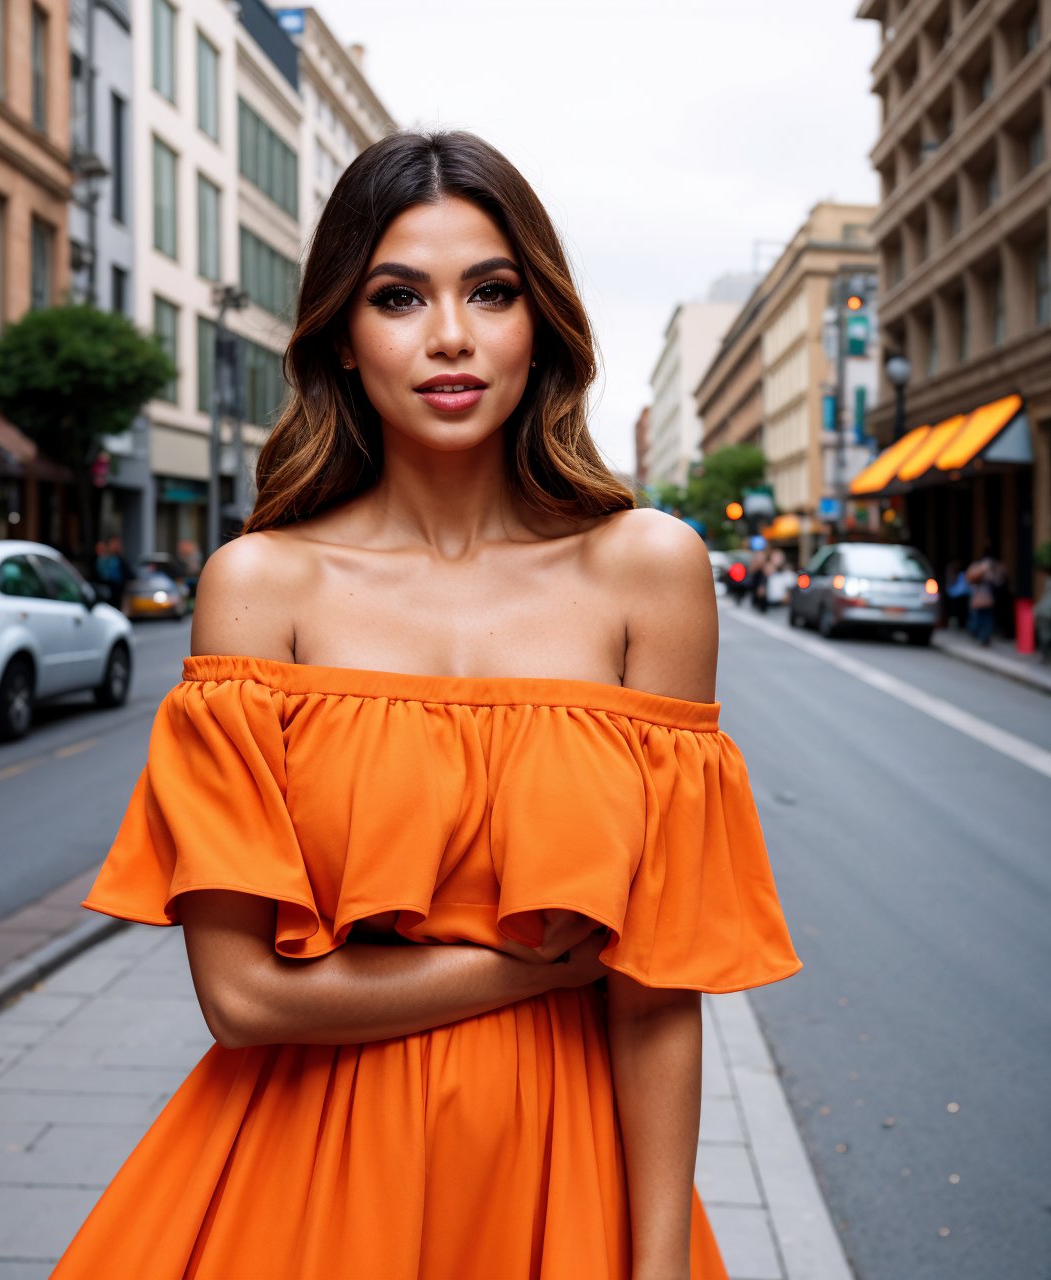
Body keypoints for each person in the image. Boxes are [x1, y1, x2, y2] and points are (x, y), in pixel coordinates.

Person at [52, 130, 800, 1280]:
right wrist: (540, 966)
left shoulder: (646, 570)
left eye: (489, 291)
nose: (449, 335)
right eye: (397, 295)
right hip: (298, 1179)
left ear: (536, 323)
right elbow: (242, 995)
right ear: (342, 340)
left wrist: (656, 1267)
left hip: (565, 1174)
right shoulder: (263, 586)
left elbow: (657, 998)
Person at [965, 546, 1005, 647]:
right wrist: (984, 569)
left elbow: (998, 581)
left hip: (987, 599)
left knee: (986, 620)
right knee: (977, 620)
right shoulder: (978, 566)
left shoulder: (993, 568)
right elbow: (970, 578)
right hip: (977, 598)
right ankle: (978, 636)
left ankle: (984, 638)